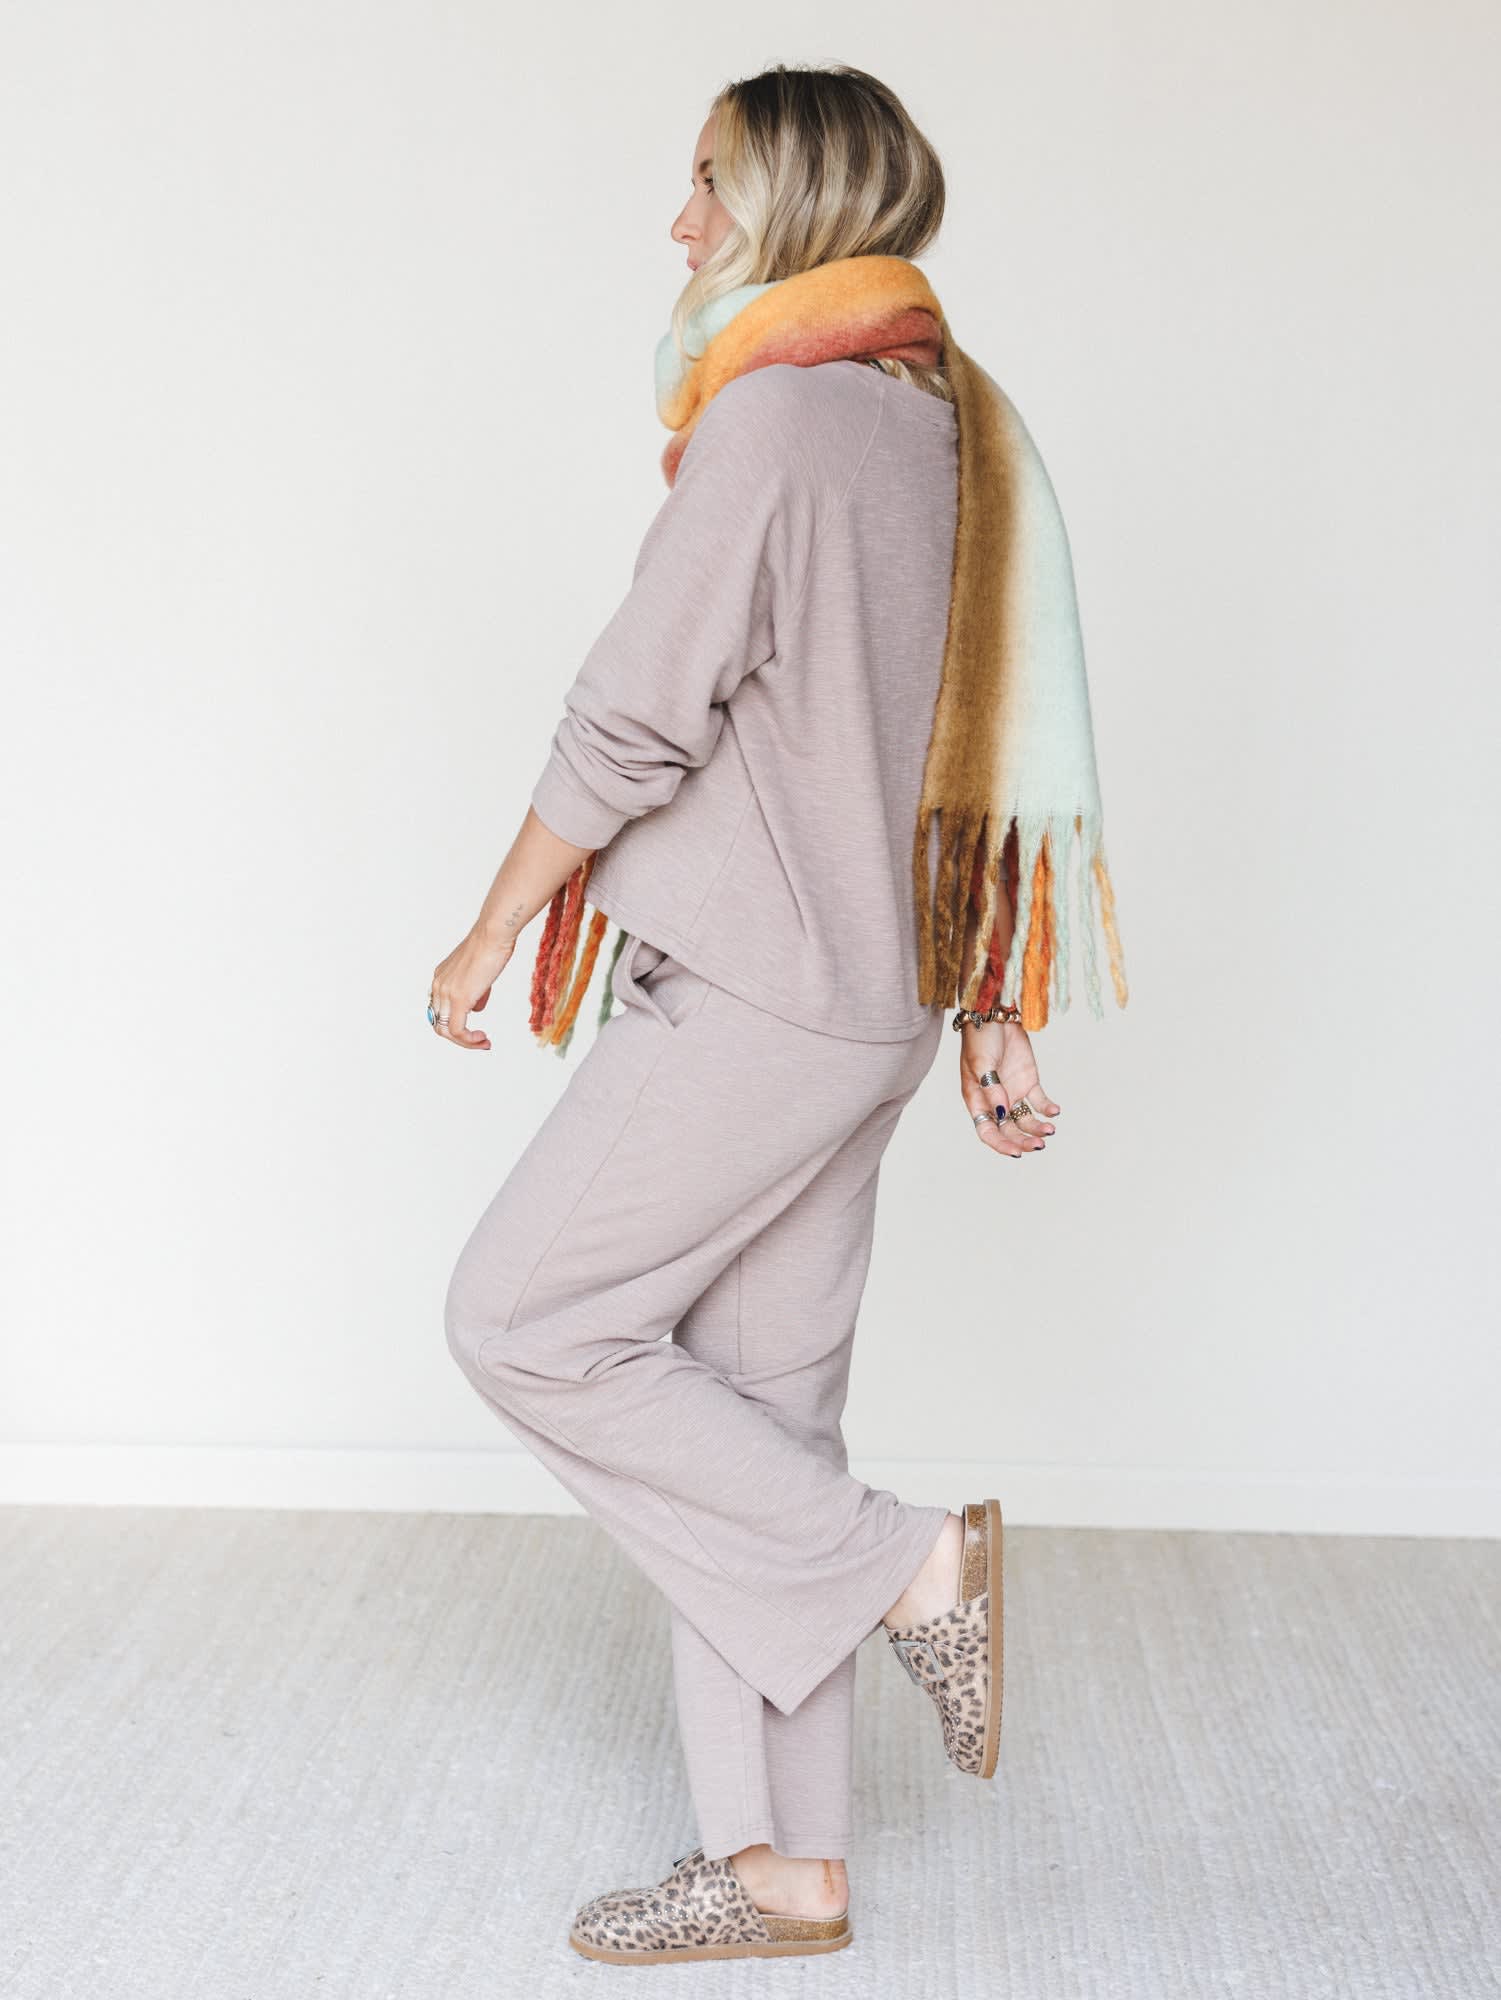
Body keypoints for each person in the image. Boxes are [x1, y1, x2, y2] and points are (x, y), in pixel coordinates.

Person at [430, 61, 1124, 1967]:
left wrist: (493, 926)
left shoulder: (778, 422)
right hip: (873, 1005)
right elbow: (989, 754)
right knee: (753, 1430)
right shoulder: (958, 426)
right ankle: (783, 1870)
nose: (679, 223)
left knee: (524, 1320)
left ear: (798, 205)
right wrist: (990, 1000)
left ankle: (912, 1569)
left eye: (710, 184)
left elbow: (632, 717)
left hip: (748, 990)